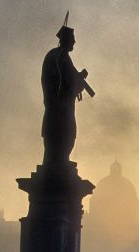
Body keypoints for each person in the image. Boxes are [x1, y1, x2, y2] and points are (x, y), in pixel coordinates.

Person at [41, 13, 91, 164]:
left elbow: (68, 80)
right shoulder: (59, 57)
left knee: (68, 134)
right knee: (64, 134)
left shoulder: (59, 56)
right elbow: (63, 83)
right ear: (66, 39)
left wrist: (78, 80)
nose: (74, 42)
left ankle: (61, 160)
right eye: (72, 38)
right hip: (59, 107)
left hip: (61, 107)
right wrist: (78, 83)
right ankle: (59, 162)